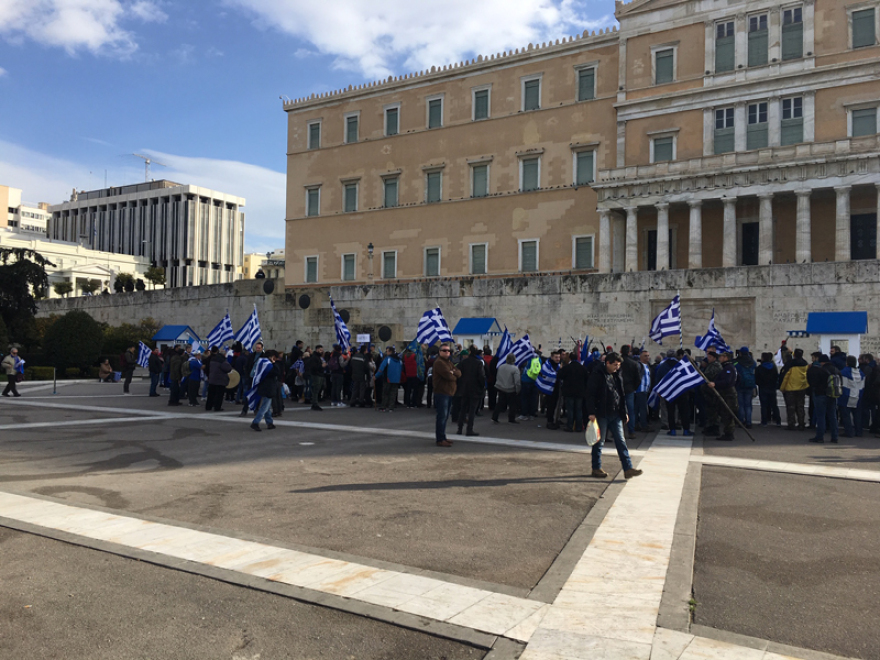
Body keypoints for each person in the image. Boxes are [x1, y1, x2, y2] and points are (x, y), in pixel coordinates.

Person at [585, 352, 642, 479]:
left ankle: (628, 468)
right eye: (615, 365)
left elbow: (621, 395)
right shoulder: (597, 375)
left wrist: (624, 411)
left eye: (619, 365)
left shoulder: (617, 375)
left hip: (615, 412)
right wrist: (591, 412)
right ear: (608, 363)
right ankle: (596, 467)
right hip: (601, 413)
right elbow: (590, 394)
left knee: (621, 441)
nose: (617, 367)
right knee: (599, 442)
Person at [432, 343, 461, 447]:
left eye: (448, 351)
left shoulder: (448, 362)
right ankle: (440, 439)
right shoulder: (439, 362)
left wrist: (453, 372)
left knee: (445, 416)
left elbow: (459, 372)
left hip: (449, 392)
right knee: (441, 416)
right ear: (440, 352)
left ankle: (443, 436)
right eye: (444, 350)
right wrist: (453, 374)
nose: (447, 352)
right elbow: (449, 376)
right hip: (442, 392)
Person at [808, 354, 840, 443]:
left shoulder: (820, 370)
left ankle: (820, 436)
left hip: (820, 394)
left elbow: (814, 383)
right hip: (832, 395)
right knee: (833, 416)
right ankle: (834, 436)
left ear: (821, 362)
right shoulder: (836, 370)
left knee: (820, 416)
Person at [707, 352, 738, 441]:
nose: (719, 358)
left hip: (728, 394)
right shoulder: (725, 367)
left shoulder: (729, 368)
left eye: (721, 357)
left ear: (725, 357)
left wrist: (716, 384)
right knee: (724, 413)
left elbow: (728, 381)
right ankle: (727, 432)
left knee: (728, 414)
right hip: (726, 393)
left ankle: (729, 433)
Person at [456, 347, 486, 436]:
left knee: (463, 409)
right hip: (475, 389)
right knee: (472, 410)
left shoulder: (463, 362)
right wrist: (482, 386)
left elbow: (458, 373)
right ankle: (469, 429)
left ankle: (459, 428)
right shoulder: (478, 363)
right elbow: (481, 376)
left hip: (464, 388)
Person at [779, 347, 809, 431]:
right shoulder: (804, 363)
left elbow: (786, 377)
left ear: (794, 355)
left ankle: (791, 424)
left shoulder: (790, 364)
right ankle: (801, 423)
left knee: (791, 407)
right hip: (801, 388)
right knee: (800, 406)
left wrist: (782, 388)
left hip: (790, 388)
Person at [251, 351, 279, 431]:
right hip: (268, 387)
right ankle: (255, 422)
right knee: (265, 406)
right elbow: (276, 372)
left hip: (263, 386)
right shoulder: (269, 365)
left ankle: (269, 422)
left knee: (267, 406)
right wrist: (274, 363)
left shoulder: (261, 364)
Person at [558, 351, 586, 432]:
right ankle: (579, 427)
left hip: (569, 391)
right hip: (580, 392)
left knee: (570, 409)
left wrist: (561, 368)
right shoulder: (582, 368)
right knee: (578, 410)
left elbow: (560, 375)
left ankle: (569, 426)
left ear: (569, 358)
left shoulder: (567, 367)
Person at [839, 355, 864, 438]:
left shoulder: (844, 372)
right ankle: (859, 431)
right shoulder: (861, 373)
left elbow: (844, 386)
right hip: (858, 396)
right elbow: (862, 386)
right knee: (857, 415)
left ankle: (849, 432)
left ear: (847, 362)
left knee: (846, 415)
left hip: (847, 396)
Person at [619, 345, 640, 439]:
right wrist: (634, 387)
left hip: (619, 389)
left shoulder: (618, 363)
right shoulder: (634, 363)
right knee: (631, 411)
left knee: (617, 409)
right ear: (629, 352)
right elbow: (638, 379)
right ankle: (631, 431)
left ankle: (617, 430)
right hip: (630, 389)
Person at [492, 354, 521, 423]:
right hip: (510, 389)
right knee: (512, 405)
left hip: (501, 387)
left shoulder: (501, 367)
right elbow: (517, 381)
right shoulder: (515, 369)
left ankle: (495, 416)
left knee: (499, 403)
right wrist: (518, 389)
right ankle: (511, 418)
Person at [239, 341, 265, 417]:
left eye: (259, 348)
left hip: (259, 378)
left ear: (262, 348)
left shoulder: (264, 356)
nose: (257, 349)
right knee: (249, 394)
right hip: (251, 377)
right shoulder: (251, 355)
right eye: (257, 348)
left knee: (258, 394)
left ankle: (256, 409)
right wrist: (247, 374)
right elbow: (247, 366)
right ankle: (244, 410)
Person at [756, 352, 781, 427]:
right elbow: (776, 377)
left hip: (763, 387)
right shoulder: (773, 367)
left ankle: (764, 421)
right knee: (774, 405)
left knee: (764, 405)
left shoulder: (759, 368)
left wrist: (760, 383)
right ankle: (778, 421)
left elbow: (757, 379)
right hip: (772, 388)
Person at [700, 351, 721, 436]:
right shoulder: (710, 365)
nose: (708, 359)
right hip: (708, 392)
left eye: (710, 357)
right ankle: (710, 427)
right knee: (709, 411)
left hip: (713, 392)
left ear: (714, 358)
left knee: (714, 411)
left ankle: (714, 428)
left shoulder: (716, 366)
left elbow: (709, 375)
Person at [376, 346, 404, 412]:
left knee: (385, 393)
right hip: (396, 379)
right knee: (393, 394)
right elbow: (402, 369)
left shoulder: (387, 359)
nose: (386, 352)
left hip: (388, 378)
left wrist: (376, 376)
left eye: (387, 351)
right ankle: (391, 407)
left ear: (390, 352)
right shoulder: (399, 360)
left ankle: (384, 406)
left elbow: (381, 369)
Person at [204, 346, 232, 411]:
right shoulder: (222, 361)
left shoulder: (211, 359)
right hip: (220, 380)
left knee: (211, 394)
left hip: (212, 378)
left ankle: (208, 407)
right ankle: (217, 407)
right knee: (219, 395)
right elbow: (228, 369)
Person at [734, 346, 756, 428]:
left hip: (740, 385)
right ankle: (749, 422)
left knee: (741, 404)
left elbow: (735, 369)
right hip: (750, 385)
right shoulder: (752, 362)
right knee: (748, 405)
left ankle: (741, 421)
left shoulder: (738, 363)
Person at [634, 350, 652, 432]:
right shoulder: (639, 365)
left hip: (645, 390)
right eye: (645, 356)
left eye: (648, 355)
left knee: (638, 408)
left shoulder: (647, 366)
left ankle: (636, 424)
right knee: (643, 408)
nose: (647, 357)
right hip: (640, 389)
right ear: (640, 357)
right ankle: (643, 425)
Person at [305, 345, 325, 410]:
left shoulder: (318, 357)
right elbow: (314, 367)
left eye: (322, 350)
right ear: (317, 350)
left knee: (317, 389)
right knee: (315, 390)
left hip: (319, 374)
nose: (321, 351)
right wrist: (321, 366)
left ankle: (315, 403)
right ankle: (315, 403)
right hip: (316, 375)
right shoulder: (314, 357)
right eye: (320, 350)